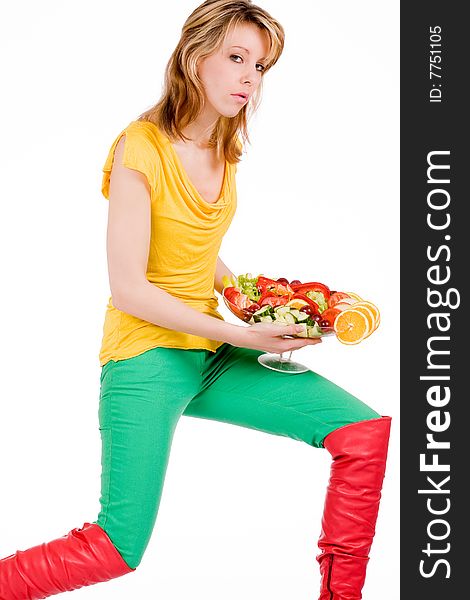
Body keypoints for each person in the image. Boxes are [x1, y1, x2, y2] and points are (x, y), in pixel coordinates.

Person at [0, 1, 391, 598]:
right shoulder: (140, 145)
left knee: (361, 432)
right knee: (117, 546)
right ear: (193, 58)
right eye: (236, 58)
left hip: (208, 348)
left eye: (260, 66)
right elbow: (129, 287)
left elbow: (193, 247)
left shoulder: (225, 144)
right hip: (145, 359)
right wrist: (244, 335)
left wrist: (252, 301)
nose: (249, 78)